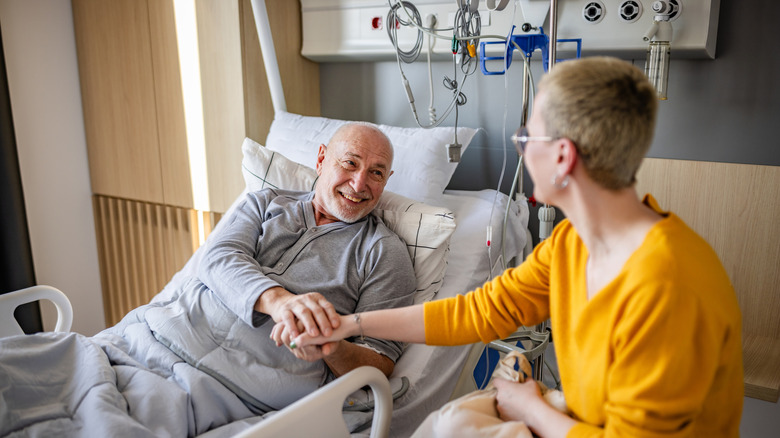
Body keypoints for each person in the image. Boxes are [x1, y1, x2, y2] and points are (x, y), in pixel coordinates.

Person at [284, 57, 744, 437]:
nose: (521, 150)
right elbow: (478, 311)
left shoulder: (667, 283)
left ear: (562, 157)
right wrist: (348, 323)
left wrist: (531, 408)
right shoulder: (570, 244)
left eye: (527, 138)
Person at [0, 122, 417, 437]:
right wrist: (280, 302)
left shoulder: (385, 254)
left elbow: (378, 362)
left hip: (219, 386)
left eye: (377, 173)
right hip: (144, 340)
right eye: (350, 163)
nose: (360, 183)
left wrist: (331, 347)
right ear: (323, 158)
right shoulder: (264, 203)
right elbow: (217, 258)